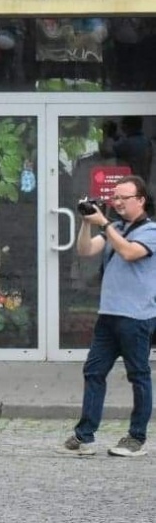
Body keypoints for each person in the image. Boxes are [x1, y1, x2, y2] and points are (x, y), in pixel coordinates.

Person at [65, 176, 156, 457]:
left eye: (123, 198)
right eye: (114, 198)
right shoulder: (115, 227)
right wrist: (85, 222)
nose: (117, 203)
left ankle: (136, 438)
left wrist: (103, 222)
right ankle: (85, 437)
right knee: (93, 372)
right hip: (108, 315)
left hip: (136, 316)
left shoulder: (151, 230)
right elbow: (85, 250)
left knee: (138, 375)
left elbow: (129, 252)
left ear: (140, 200)